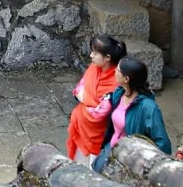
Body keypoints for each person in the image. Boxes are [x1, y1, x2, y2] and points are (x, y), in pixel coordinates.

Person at [97, 56, 172, 169]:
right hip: (111, 151)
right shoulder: (119, 93)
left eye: (117, 70)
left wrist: (146, 165)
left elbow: (163, 144)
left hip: (129, 162)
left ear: (126, 79)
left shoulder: (149, 108)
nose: (114, 72)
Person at [66, 35, 125, 163]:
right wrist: (89, 100)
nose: (91, 56)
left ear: (107, 58)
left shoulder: (116, 80)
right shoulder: (93, 68)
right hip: (81, 125)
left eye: (95, 53)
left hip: (101, 133)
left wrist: (84, 98)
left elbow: (101, 112)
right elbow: (77, 90)